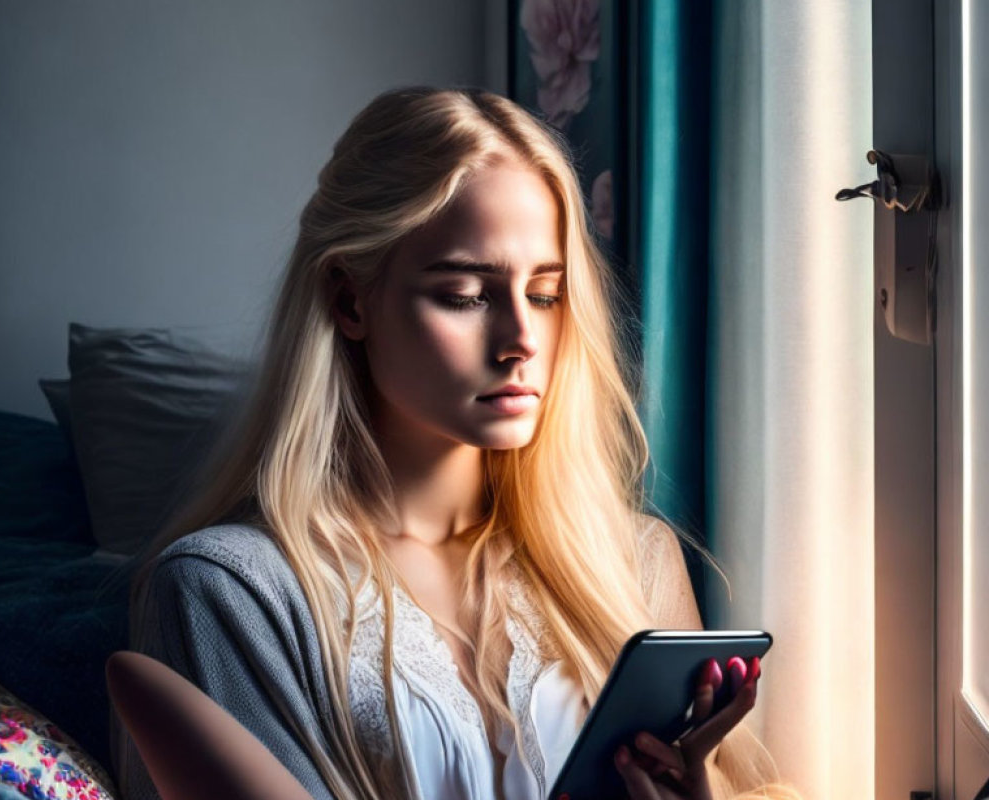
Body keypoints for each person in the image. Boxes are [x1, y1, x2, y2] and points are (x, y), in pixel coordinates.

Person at [114, 86, 798, 800]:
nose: (520, 343)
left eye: (545, 294)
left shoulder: (632, 563)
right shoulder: (232, 588)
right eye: (468, 294)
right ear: (350, 301)